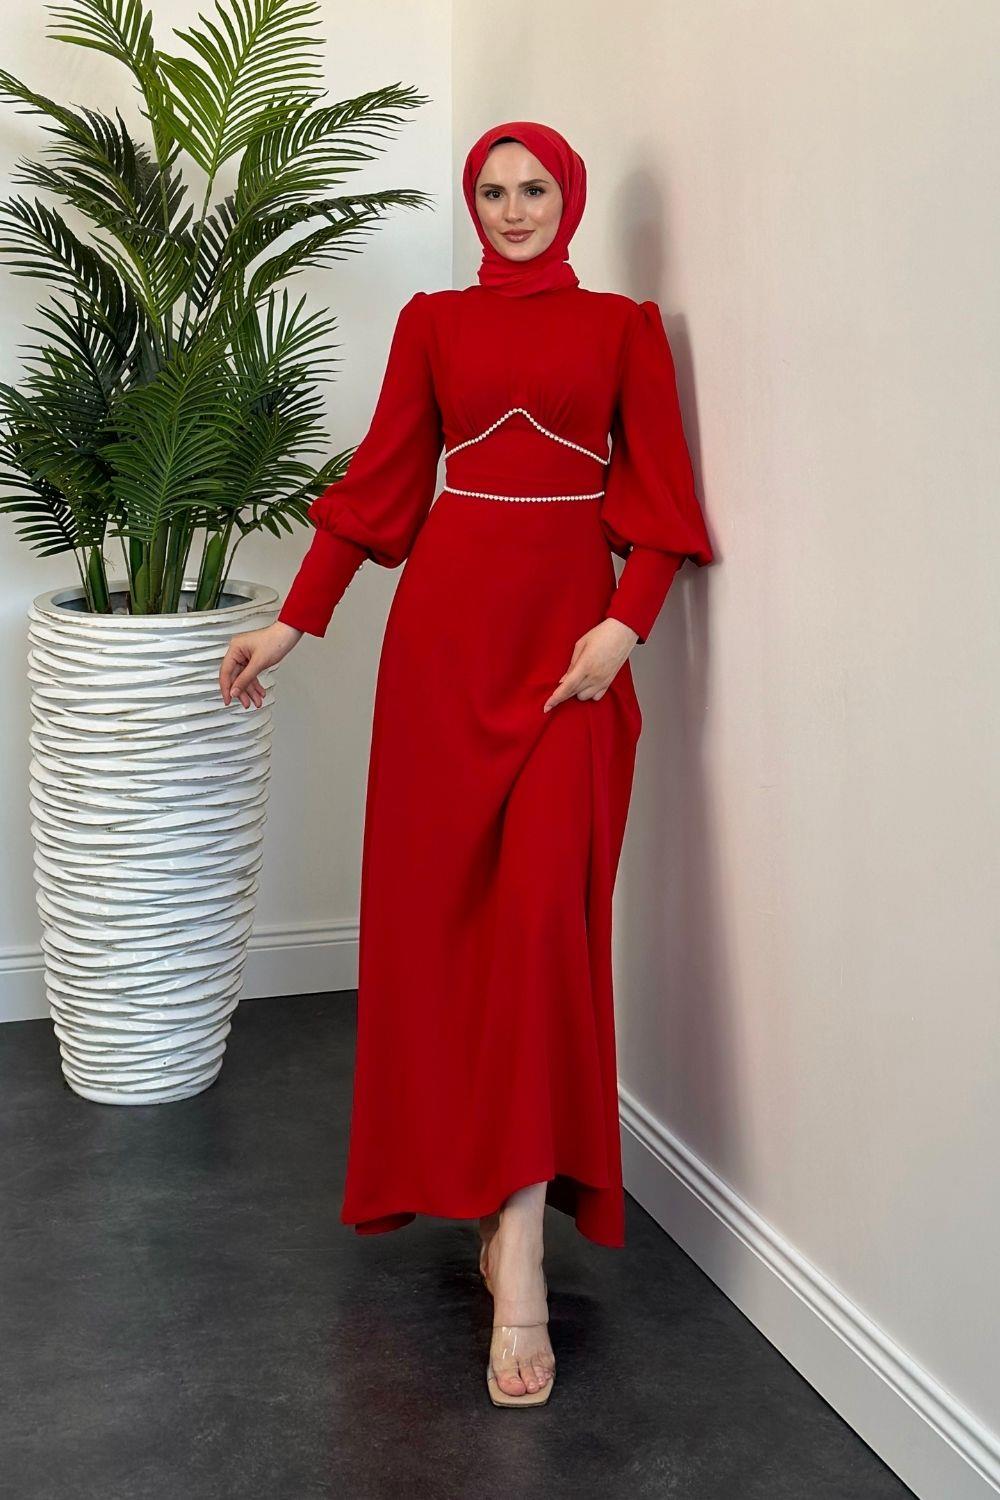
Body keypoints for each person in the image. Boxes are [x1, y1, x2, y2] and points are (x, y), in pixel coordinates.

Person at [219, 119, 715, 1407]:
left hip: (569, 660)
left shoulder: (622, 330)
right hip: (442, 652)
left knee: (544, 930)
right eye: (491, 191)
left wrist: (624, 626)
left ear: (571, 198)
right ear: (472, 203)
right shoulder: (433, 324)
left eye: (534, 188)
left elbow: (662, 508)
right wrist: (291, 623)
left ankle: (525, 1247)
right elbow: (379, 487)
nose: (512, 208)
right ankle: (493, 1216)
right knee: (443, 933)